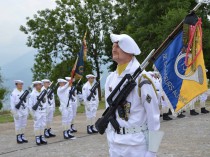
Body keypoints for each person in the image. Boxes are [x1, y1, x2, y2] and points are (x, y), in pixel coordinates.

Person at [105, 34, 162, 157]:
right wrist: (110, 142)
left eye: (118, 46)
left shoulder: (142, 79)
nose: (114, 48)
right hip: (115, 144)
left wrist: (152, 152)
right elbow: (109, 114)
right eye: (113, 45)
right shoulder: (110, 79)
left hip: (137, 146)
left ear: (129, 50)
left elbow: (154, 117)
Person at [28, 81, 48, 145]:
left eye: (40, 85)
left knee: (43, 125)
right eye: (37, 85)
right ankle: (37, 137)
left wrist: (46, 110)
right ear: (35, 86)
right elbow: (30, 105)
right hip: (37, 112)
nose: (39, 86)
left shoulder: (43, 93)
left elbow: (45, 102)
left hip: (43, 111)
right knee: (37, 125)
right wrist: (32, 114)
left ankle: (42, 136)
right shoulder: (32, 94)